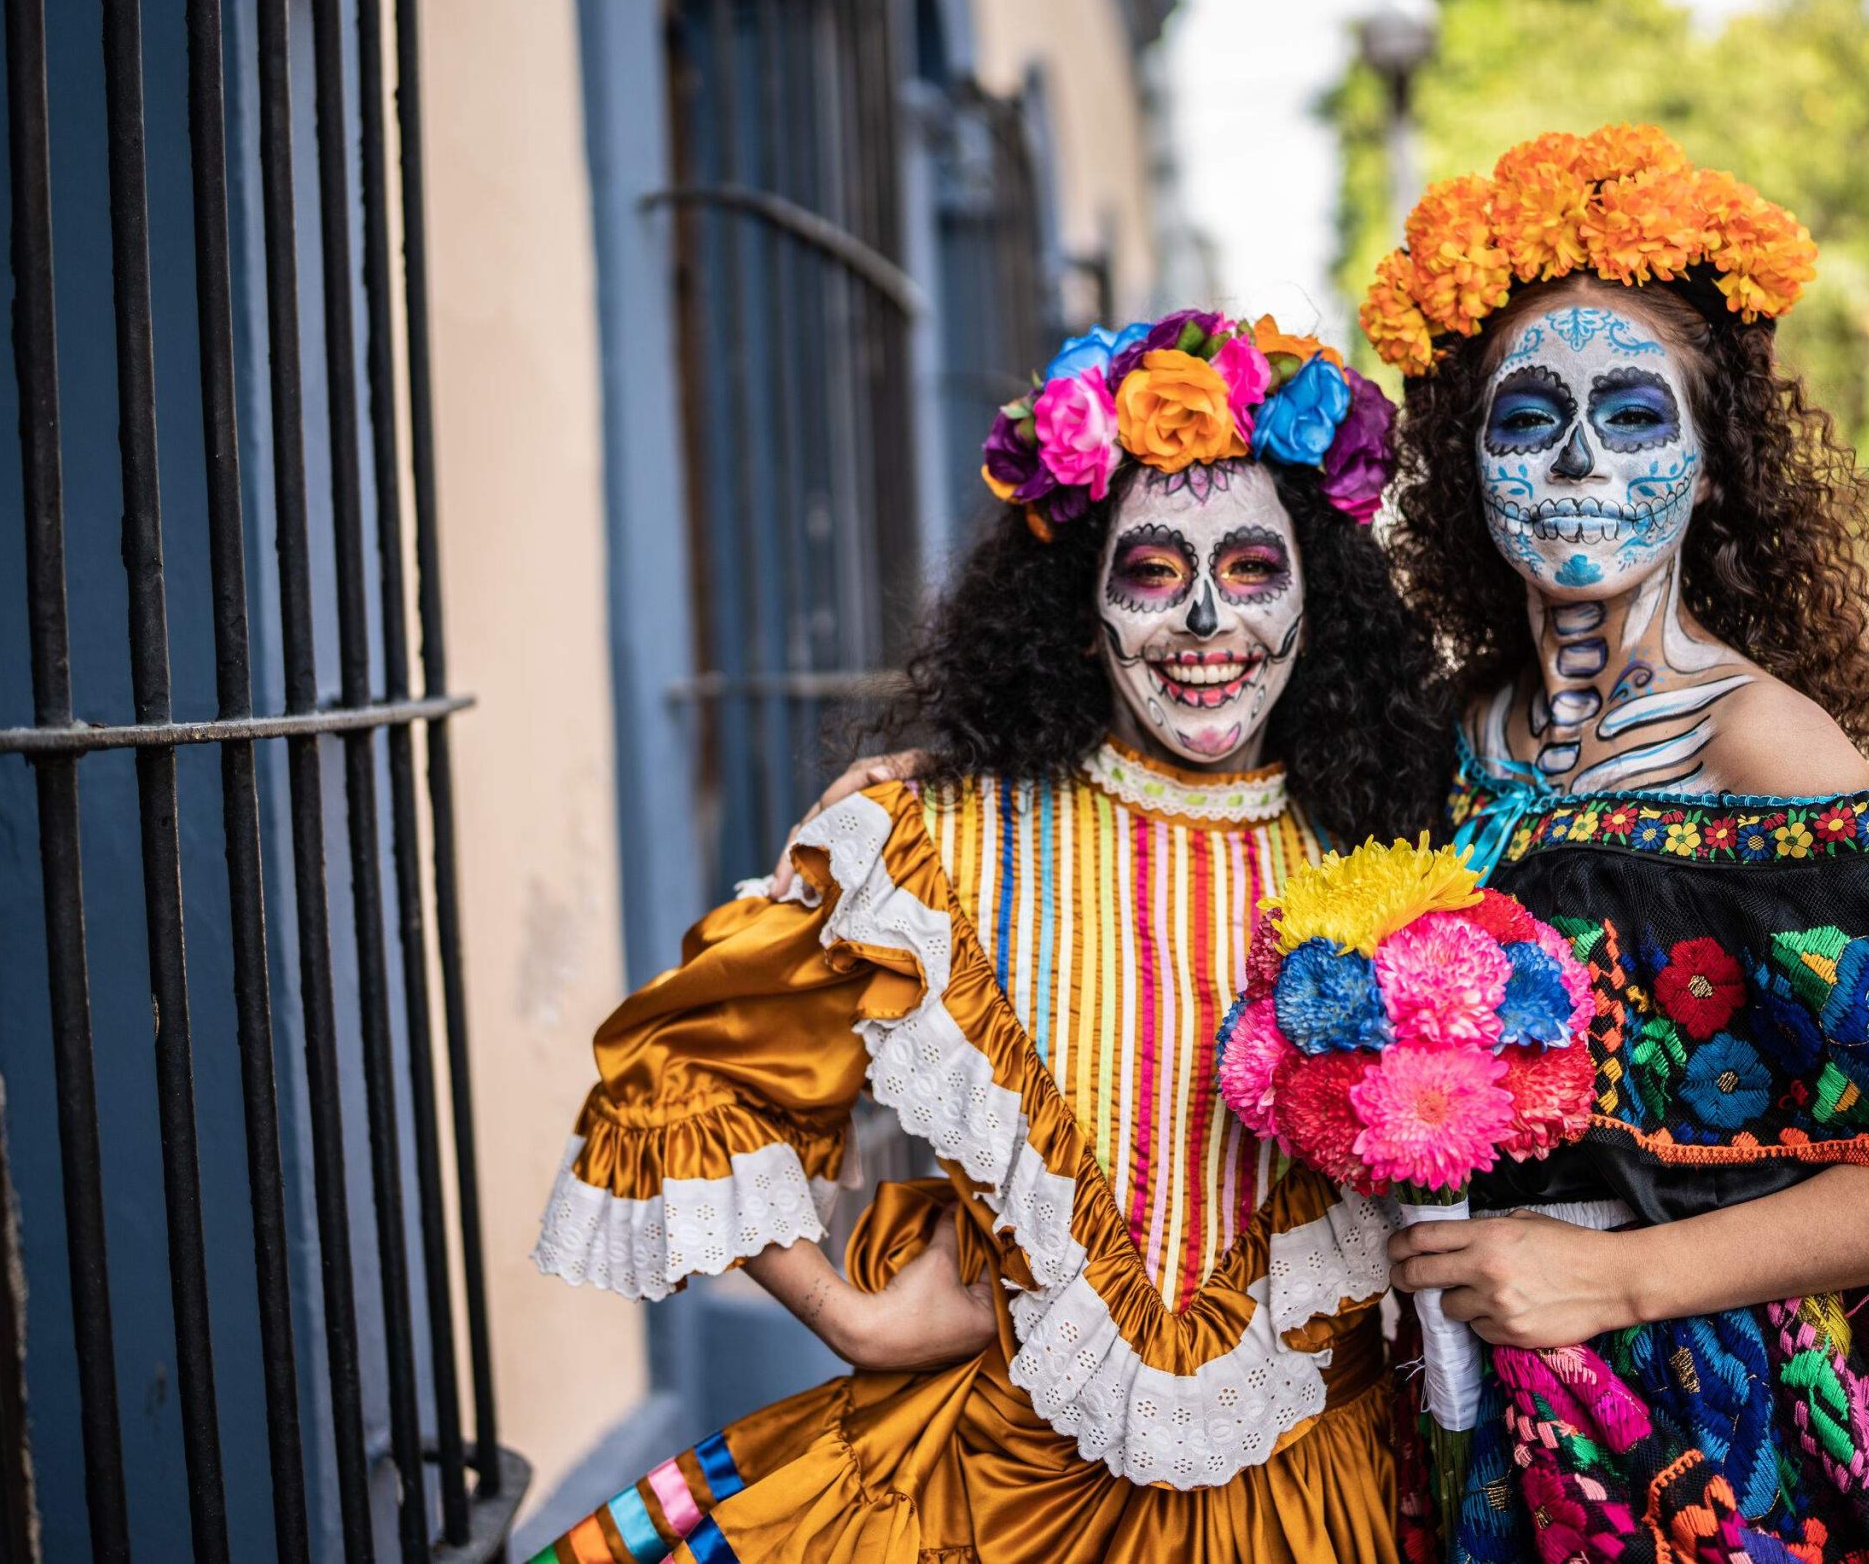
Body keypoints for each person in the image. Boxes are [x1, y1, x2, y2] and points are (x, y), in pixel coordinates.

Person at [527, 311, 1448, 1564]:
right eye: (1150, 573)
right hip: (978, 1494)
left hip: (1319, 1508)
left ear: (1314, 600)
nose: (1200, 623)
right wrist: (854, 1319)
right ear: (1080, 606)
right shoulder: (932, 840)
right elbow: (684, 1072)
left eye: (1248, 568)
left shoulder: (1403, 856)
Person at [1358, 125, 1869, 1562]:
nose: (1578, 457)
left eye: (1634, 415)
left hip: (1721, 1438)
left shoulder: (1756, 744)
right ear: (1469, 465)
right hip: (1463, 1421)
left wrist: (1621, 1279)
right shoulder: (1448, 737)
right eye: (1528, 420)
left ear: (1713, 469)